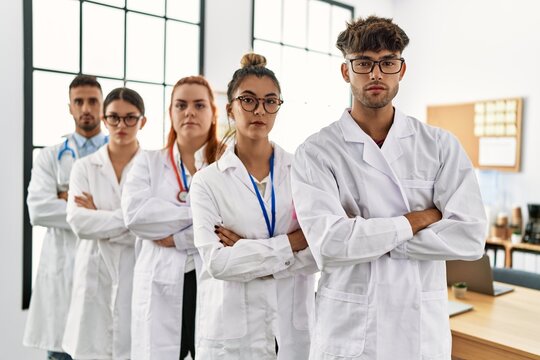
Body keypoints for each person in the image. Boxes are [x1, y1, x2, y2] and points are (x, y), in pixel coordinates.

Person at [290, 16, 487, 360]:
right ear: (346, 71)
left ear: (402, 69)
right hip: (350, 332)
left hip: (419, 329)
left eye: (387, 62)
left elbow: (469, 236)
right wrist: (418, 220)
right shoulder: (317, 152)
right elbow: (331, 244)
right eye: (364, 63)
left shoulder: (439, 145)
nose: (376, 74)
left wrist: (366, 238)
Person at [189, 53, 318, 360]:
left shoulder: (302, 172)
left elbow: (319, 253)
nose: (260, 109)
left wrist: (248, 253)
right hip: (232, 335)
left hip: (290, 329)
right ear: (230, 108)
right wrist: (293, 242)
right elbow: (218, 264)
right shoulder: (208, 182)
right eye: (248, 100)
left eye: (270, 101)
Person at [121, 76, 220, 360]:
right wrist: (204, 214)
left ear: (213, 113)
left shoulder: (229, 164)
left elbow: (236, 223)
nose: (189, 112)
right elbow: (137, 216)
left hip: (211, 280)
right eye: (181, 105)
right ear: (171, 114)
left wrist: (177, 236)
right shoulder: (147, 162)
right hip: (158, 283)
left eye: (199, 105)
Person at [23, 75, 108, 360]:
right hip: (63, 277)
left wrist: (67, 199)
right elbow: (38, 210)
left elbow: (130, 215)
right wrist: (97, 209)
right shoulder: (50, 157)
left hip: (106, 275)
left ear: (103, 106)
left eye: (92, 101)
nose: (86, 107)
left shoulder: (122, 155)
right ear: (70, 107)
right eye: (79, 101)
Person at [62, 87, 146, 359]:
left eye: (130, 118)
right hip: (93, 280)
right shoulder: (84, 167)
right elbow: (79, 223)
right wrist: (129, 221)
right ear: (103, 119)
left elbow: (153, 226)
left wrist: (99, 214)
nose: (121, 125)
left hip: (138, 275)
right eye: (114, 118)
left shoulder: (153, 168)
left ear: (142, 121)